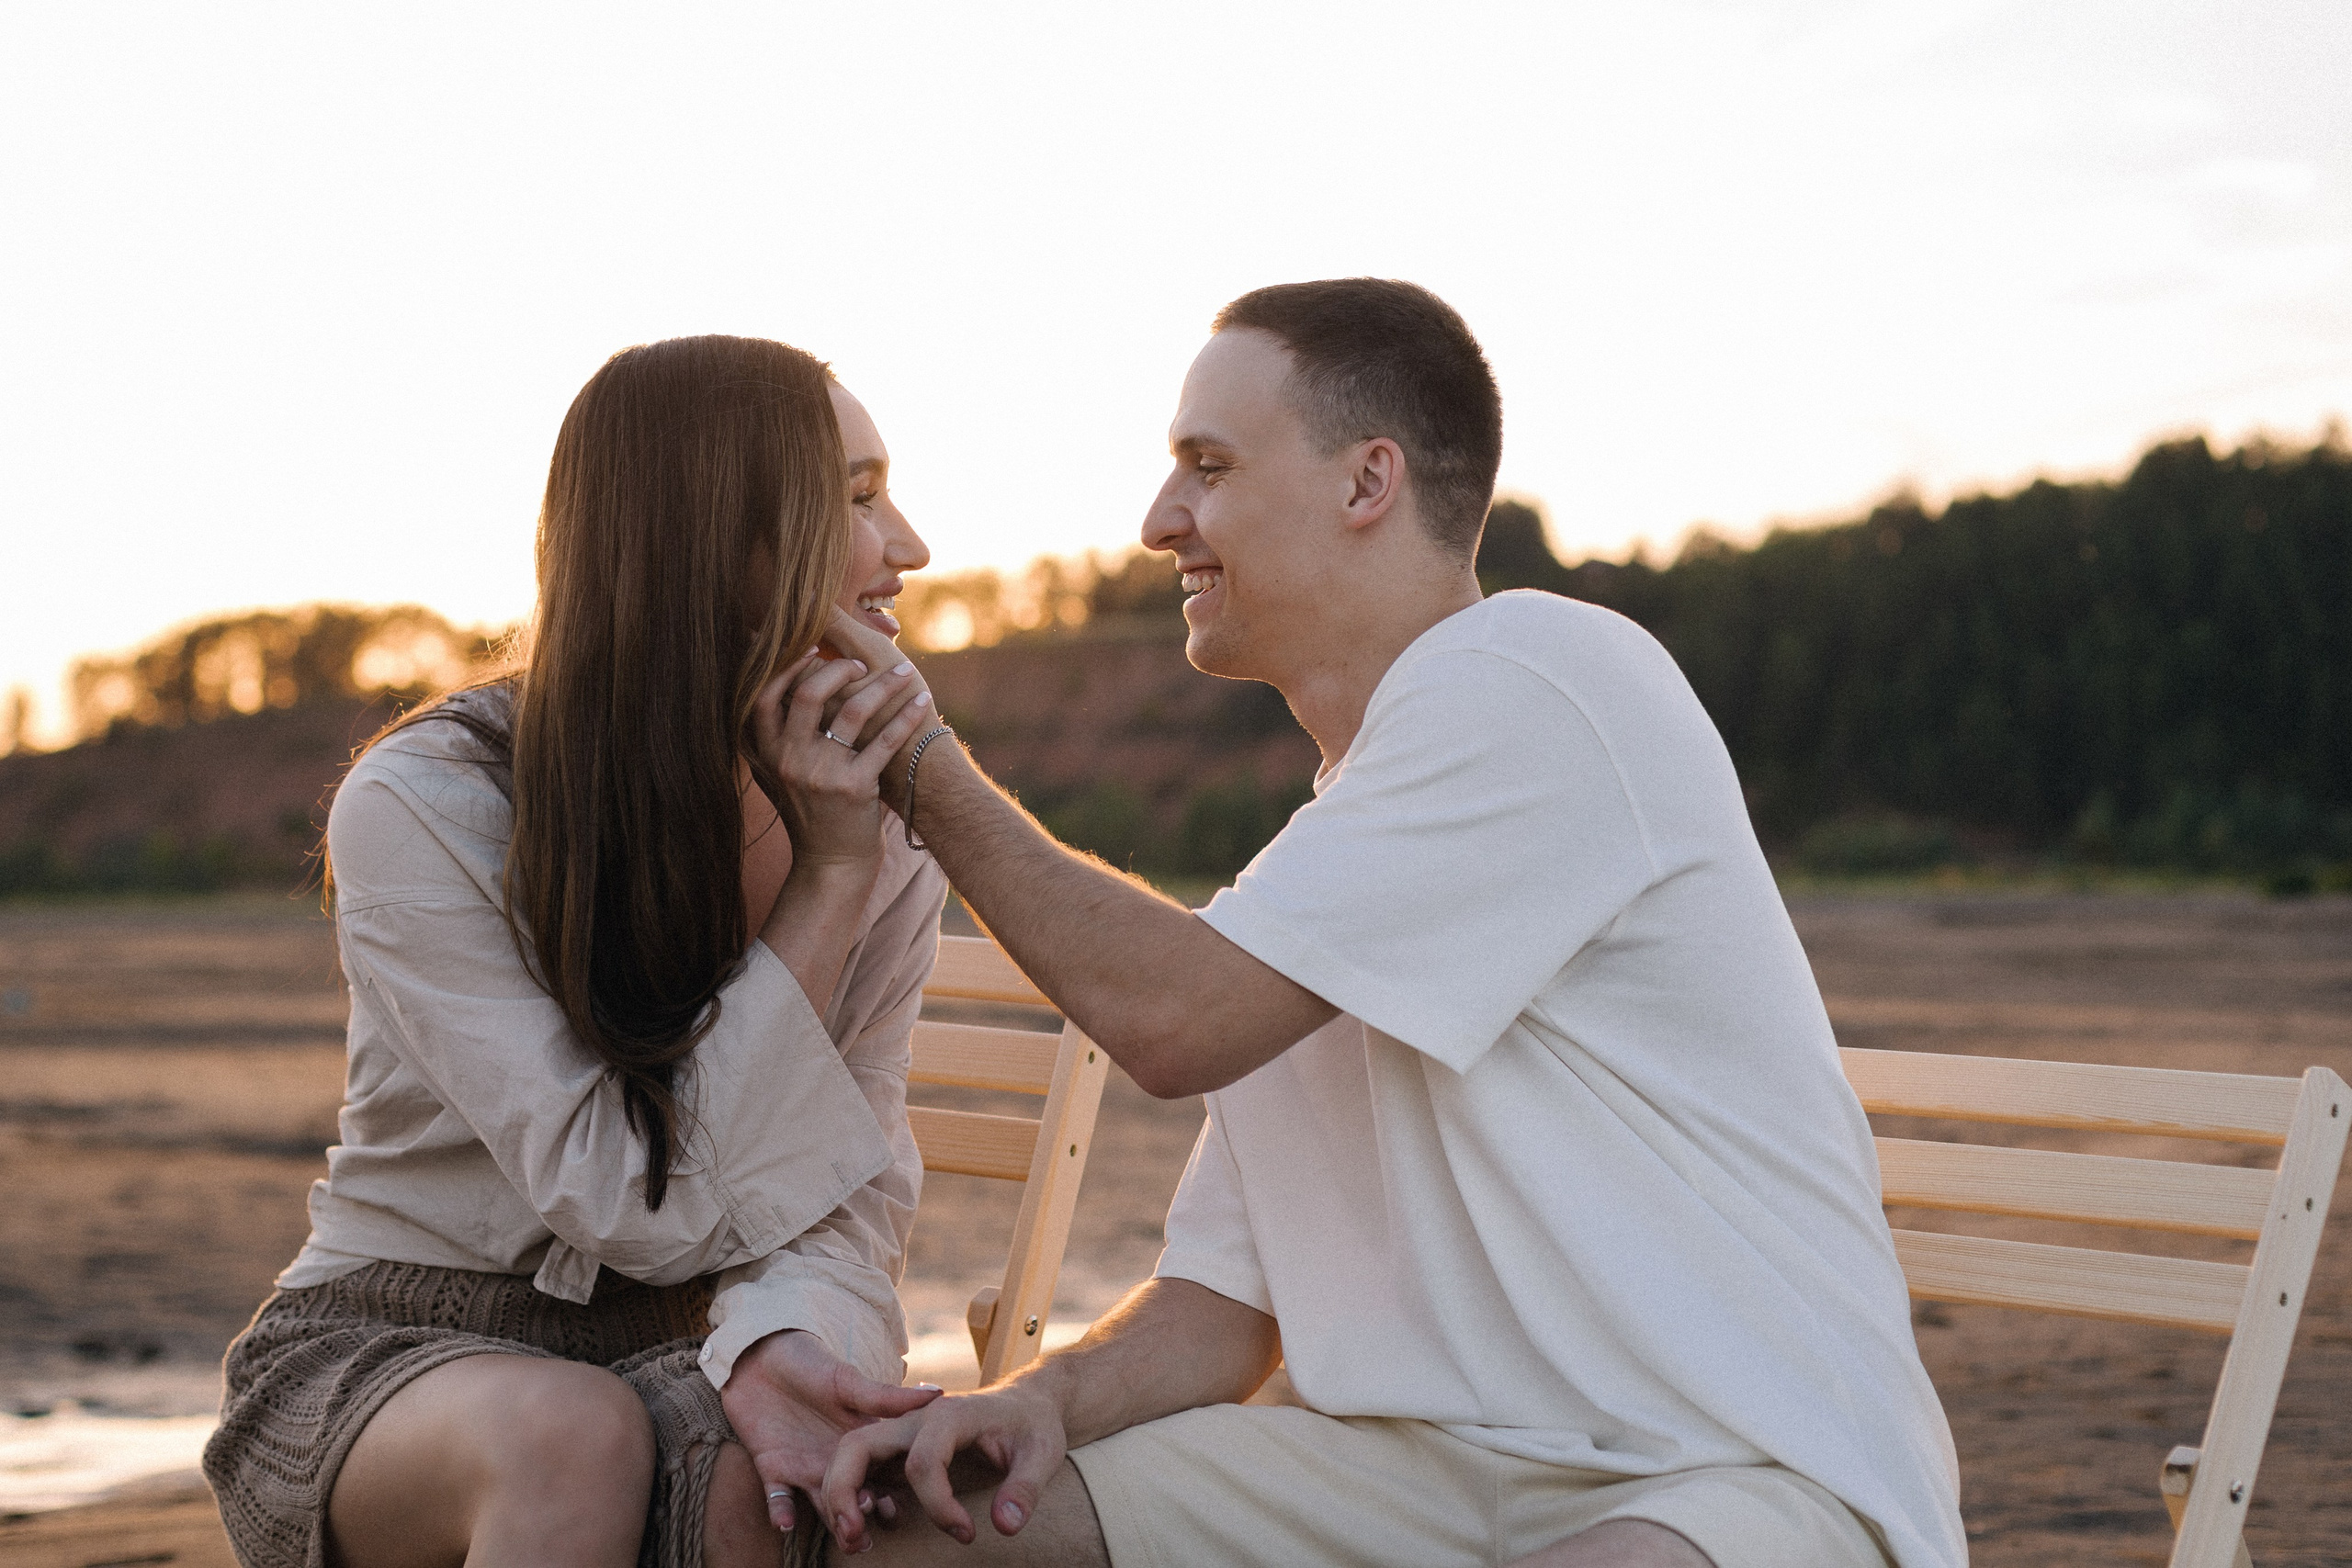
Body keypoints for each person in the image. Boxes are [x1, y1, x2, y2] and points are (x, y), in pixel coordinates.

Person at [800, 280, 1969, 1567]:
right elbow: (1219, 1309)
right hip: (1408, 1478)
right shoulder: (1329, 864)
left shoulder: (1546, 680)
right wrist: (1037, 1401)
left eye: (1209, 465)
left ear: (1368, 484)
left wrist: (911, 751)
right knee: (911, 1535)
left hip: (1727, 1475)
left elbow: (1170, 1021)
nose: (1158, 520)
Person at [201, 334, 949, 1568]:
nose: (910, 546)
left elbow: (847, 1208)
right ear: (717, 536)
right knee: (576, 1437)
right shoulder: (429, 805)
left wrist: (781, 1343)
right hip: (391, 1353)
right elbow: (620, 1201)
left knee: (765, 1484)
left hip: (700, 1338)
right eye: (859, 500)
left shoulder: (887, 833)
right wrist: (822, 884)